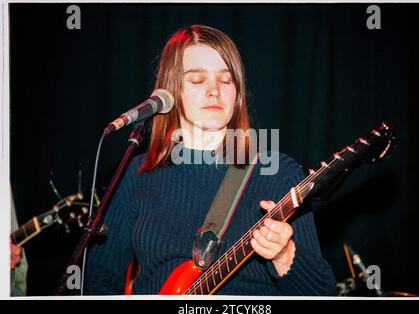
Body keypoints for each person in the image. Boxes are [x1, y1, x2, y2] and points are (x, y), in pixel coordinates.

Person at [84, 25, 336, 296]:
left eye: (226, 80)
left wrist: (285, 257)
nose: (214, 91)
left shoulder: (278, 173)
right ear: (170, 92)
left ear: (237, 94)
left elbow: (322, 293)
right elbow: (93, 280)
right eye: (197, 80)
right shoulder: (138, 173)